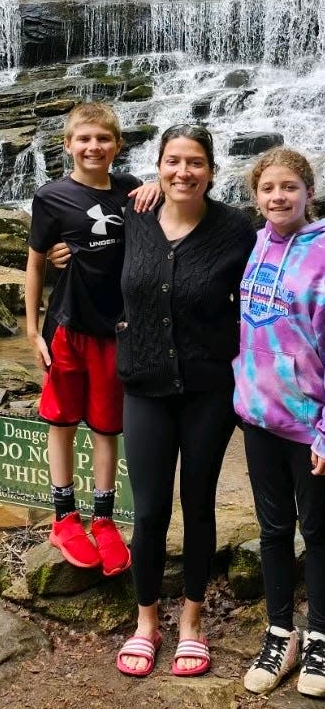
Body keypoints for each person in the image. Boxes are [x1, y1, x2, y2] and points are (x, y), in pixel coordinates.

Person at [114, 124, 256, 678]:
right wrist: (52, 257)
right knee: (148, 511)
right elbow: (91, 259)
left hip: (207, 391)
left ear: (212, 171)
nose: (183, 172)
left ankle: (192, 623)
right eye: (173, 161)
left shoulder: (235, 229)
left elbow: (270, 287)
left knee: (198, 505)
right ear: (158, 166)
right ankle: (146, 622)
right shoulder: (134, 217)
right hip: (144, 386)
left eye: (195, 162)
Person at [25, 101, 157, 576]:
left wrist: (159, 183)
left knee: (106, 424)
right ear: (68, 145)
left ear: (117, 145)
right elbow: (37, 261)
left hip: (115, 328)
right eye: (84, 139)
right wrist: (29, 328)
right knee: (60, 419)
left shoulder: (131, 190)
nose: (93, 146)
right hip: (66, 325)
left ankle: (103, 518)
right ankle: (64, 515)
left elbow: (164, 203)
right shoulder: (51, 196)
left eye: (103, 139)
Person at [234, 147, 325, 698]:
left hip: (309, 423)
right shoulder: (256, 244)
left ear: (308, 191)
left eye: (289, 187)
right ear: (256, 196)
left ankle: (320, 637)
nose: (278, 197)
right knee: (272, 531)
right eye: (268, 189)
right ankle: (280, 632)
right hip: (258, 417)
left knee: (318, 532)